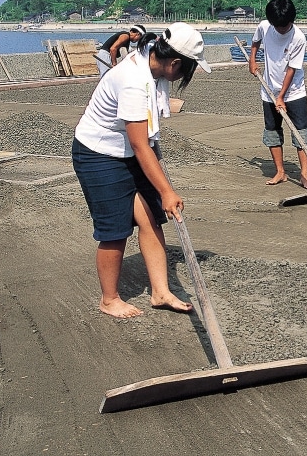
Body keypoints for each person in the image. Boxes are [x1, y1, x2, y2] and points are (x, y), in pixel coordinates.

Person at [72, 22, 211, 318]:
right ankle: (109, 299)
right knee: (115, 229)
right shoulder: (134, 80)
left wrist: (161, 190)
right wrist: (166, 190)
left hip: (128, 148)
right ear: (174, 63)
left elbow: (147, 137)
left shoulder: (154, 62)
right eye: (188, 69)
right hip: (98, 153)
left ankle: (160, 292)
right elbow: (139, 145)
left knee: (151, 218)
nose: (188, 75)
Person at [248, 0, 307, 190]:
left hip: (294, 92)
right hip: (268, 89)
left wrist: (281, 97)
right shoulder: (265, 26)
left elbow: (291, 70)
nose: (281, 29)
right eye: (277, 26)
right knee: (272, 132)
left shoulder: (298, 38)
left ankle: (304, 174)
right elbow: (255, 41)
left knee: (302, 133)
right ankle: (280, 171)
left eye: (284, 26)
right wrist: (252, 60)